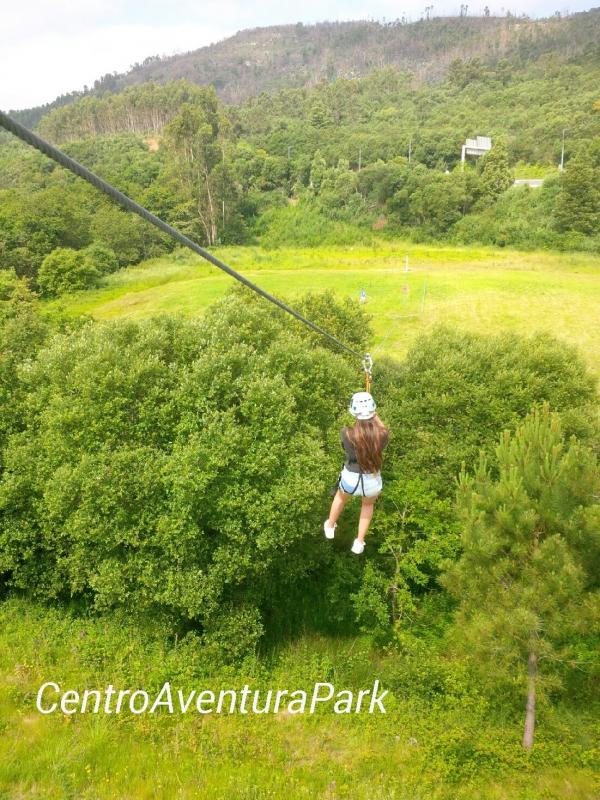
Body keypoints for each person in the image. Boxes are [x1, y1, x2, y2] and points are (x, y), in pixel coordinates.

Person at [323, 392, 389, 554]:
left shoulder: (346, 433)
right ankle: (359, 541)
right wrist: (374, 415)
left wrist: (368, 415)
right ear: (373, 413)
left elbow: (347, 446)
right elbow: (381, 428)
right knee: (367, 505)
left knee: (340, 498)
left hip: (350, 479)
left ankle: (330, 525)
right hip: (371, 481)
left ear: (354, 413)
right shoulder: (382, 435)